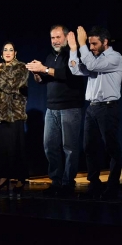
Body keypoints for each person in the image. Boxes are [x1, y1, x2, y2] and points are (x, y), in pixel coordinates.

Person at [26, 25, 85, 197]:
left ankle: (68, 183)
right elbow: (45, 79)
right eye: (52, 38)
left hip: (70, 107)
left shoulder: (73, 54)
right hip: (52, 108)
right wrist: (37, 75)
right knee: (49, 146)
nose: (55, 41)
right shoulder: (50, 56)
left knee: (70, 148)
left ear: (66, 37)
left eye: (58, 37)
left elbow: (68, 74)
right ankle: (56, 181)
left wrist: (43, 69)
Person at [67, 26, 122, 200]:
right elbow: (76, 69)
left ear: (105, 42)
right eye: (89, 44)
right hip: (92, 108)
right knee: (89, 147)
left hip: (107, 107)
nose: (91, 47)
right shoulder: (94, 58)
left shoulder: (115, 57)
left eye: (94, 44)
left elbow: (91, 64)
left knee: (111, 148)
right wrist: (74, 50)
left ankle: (113, 186)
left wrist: (82, 44)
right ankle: (95, 184)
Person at [0, 42, 29, 198]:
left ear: (15, 52)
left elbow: (10, 86)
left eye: (11, 50)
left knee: (15, 147)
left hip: (14, 113)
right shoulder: (0, 67)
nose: (8, 52)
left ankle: (21, 178)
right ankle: (4, 176)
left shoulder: (21, 68)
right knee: (0, 148)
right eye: (5, 50)